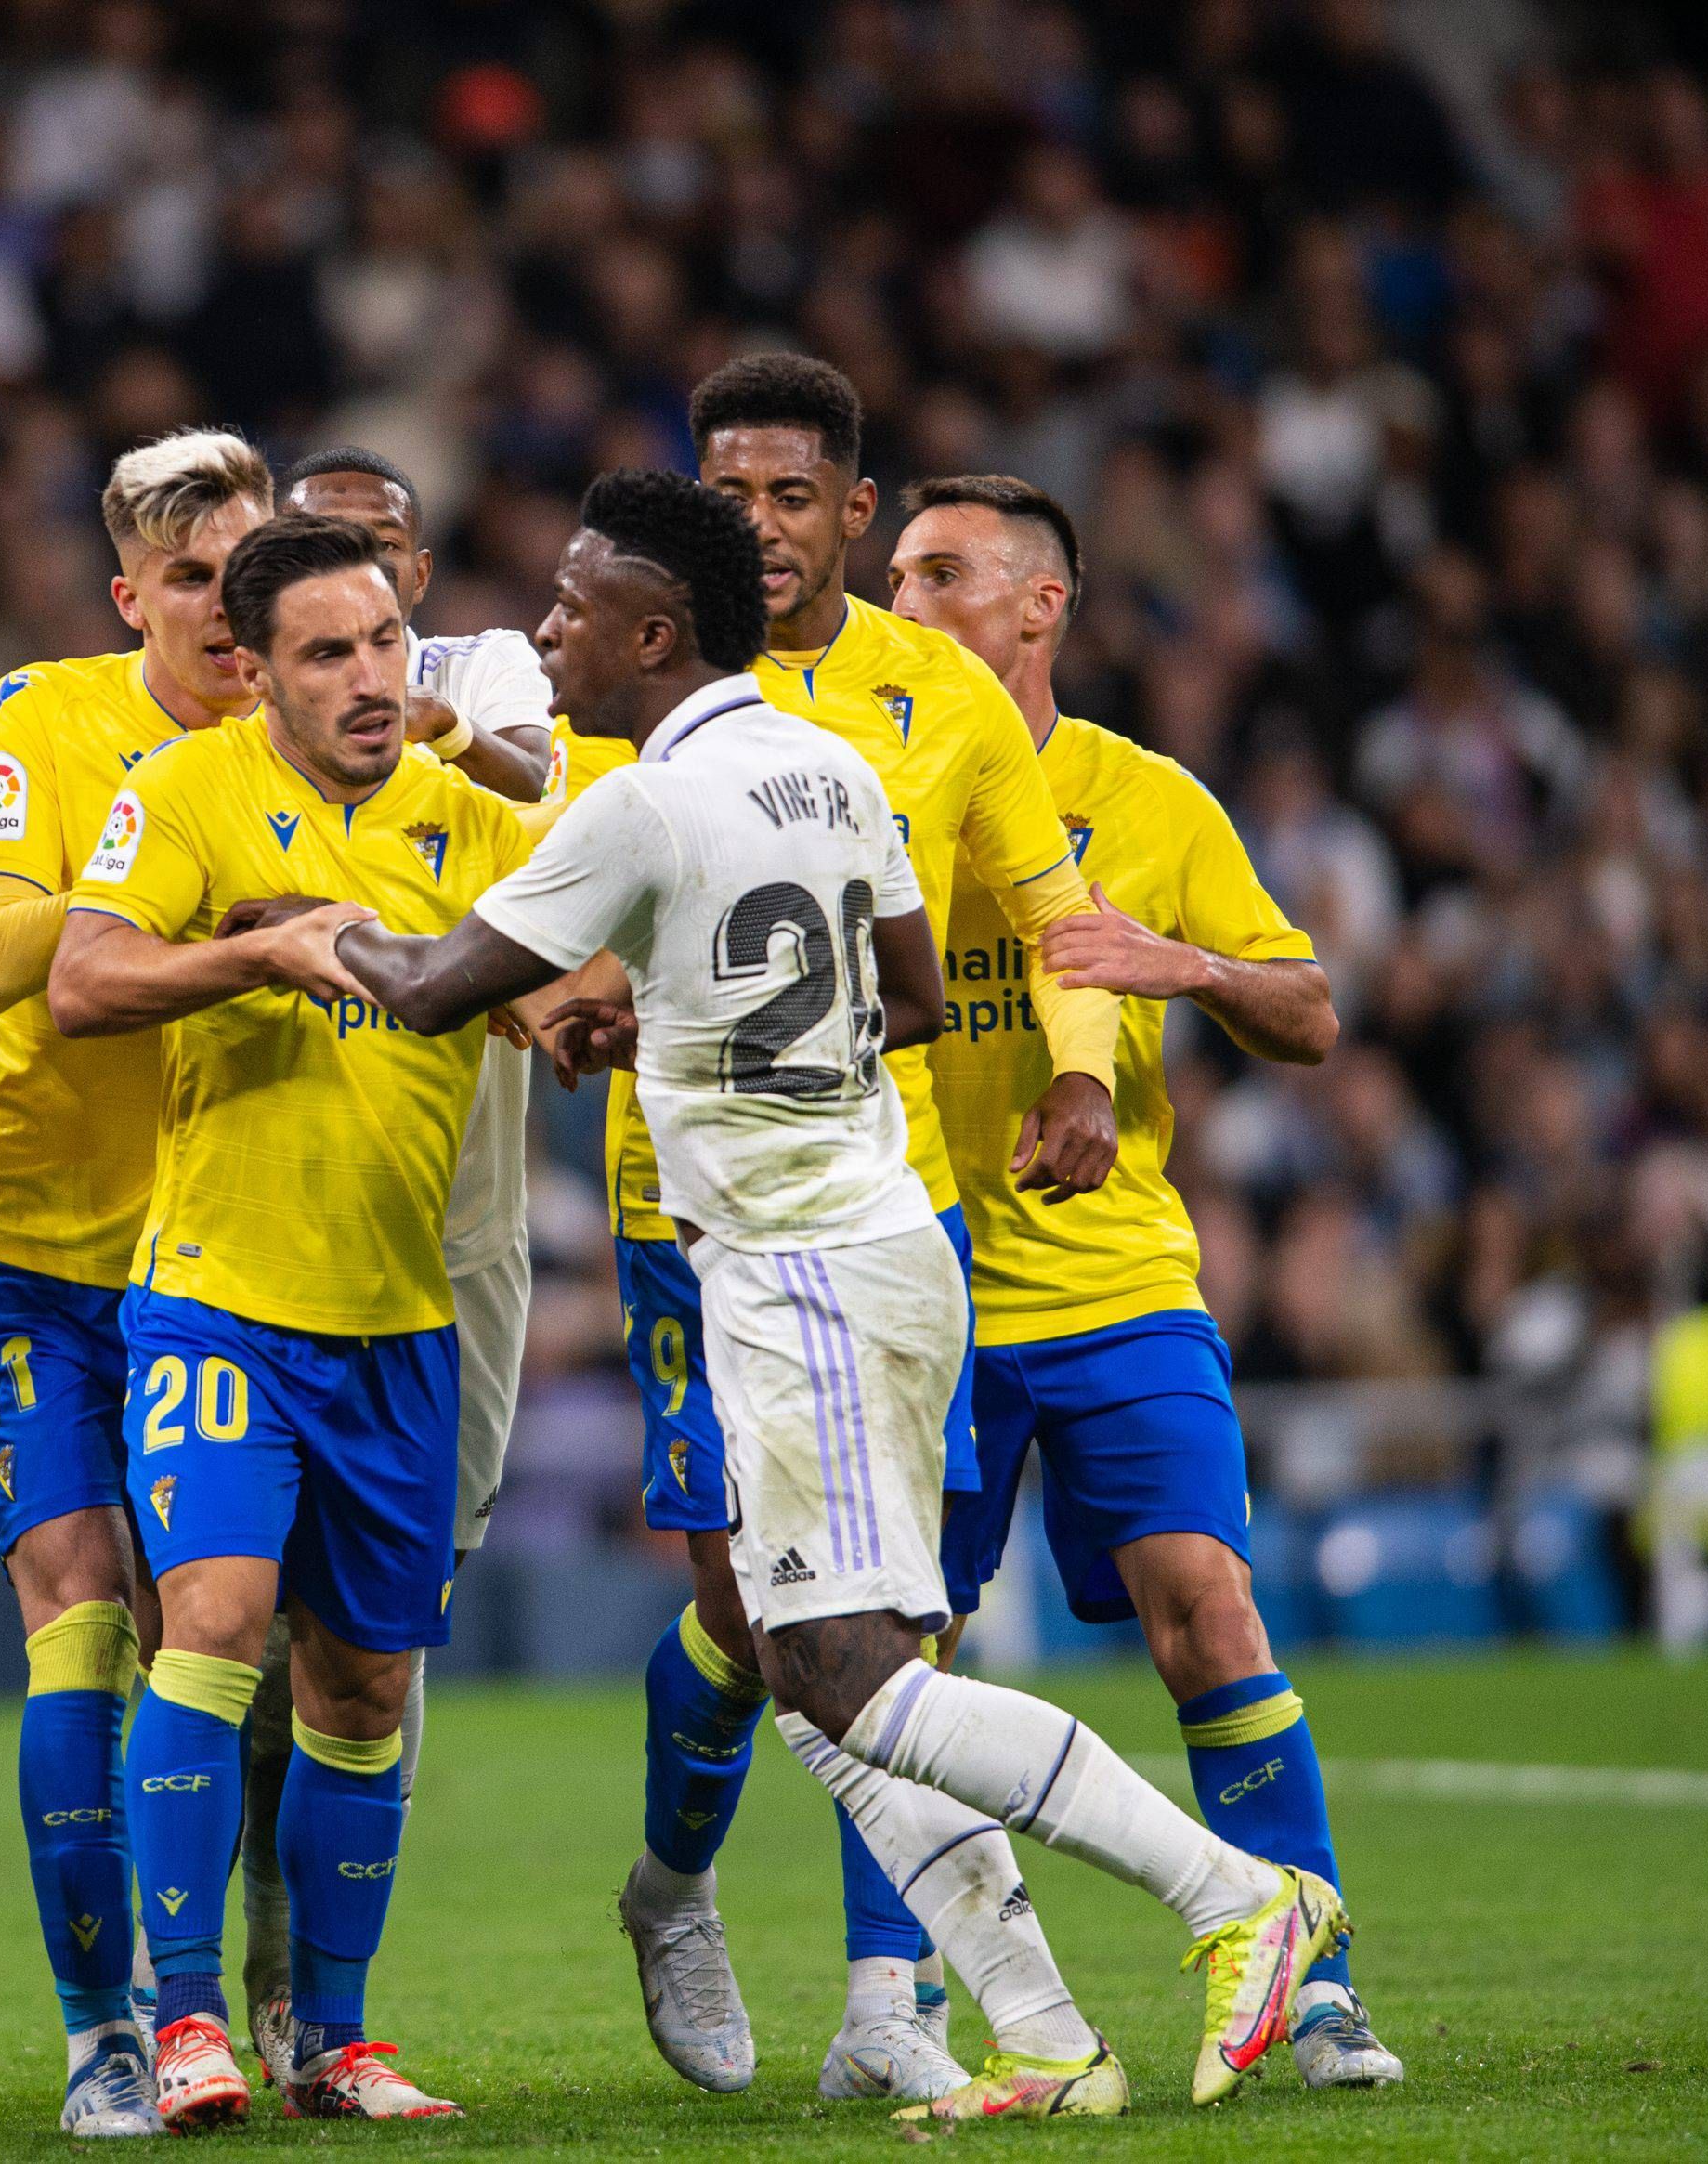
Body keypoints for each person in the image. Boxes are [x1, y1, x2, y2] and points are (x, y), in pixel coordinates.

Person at [327, 468, 1347, 2126]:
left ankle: (1239, 1894)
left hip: (796, 1272)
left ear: (654, 633)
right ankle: (1042, 2034)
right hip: (880, 1238)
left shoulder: (640, 806)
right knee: (819, 1674)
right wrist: (678, 1020)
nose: (546, 631)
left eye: (576, 605)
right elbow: (912, 994)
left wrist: (311, 930)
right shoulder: (831, 769)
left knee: (856, 1674)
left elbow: (437, 987)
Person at [595, 354, 1121, 2104]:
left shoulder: (942, 694)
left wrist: (1083, 1069)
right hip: (688, 1207)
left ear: (853, 509)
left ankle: (894, 1997)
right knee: (748, 1607)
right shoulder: (642, 670)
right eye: (727, 492)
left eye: (791, 494)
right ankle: (674, 1886)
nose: (756, 523)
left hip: (888, 1207)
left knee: (899, 1615)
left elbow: (1053, 910)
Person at [889, 473, 1401, 2090]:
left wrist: (1173, 961)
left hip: (1117, 1281)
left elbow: (1311, 1012)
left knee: (1208, 1609)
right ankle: (901, 2005)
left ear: (1041, 606)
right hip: (922, 1284)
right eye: (897, 575)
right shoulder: (855, 782)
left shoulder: (1150, 797)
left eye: (943, 574)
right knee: (897, 1664)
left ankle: (1313, 1986)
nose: (904, 604)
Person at [48, 513, 542, 2128]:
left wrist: (581, 1008)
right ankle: (185, 2016)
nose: (372, 677)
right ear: (255, 674)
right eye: (329, 652)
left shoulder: (472, 821)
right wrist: (264, 947)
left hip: (400, 1321)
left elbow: (560, 991)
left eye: (388, 641)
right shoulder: (185, 789)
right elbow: (81, 980)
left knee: (365, 1689)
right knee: (212, 1620)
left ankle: (330, 2035)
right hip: (221, 1304)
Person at [0, 427, 272, 2139]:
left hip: (224, 1267)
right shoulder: (42, 715)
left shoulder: (317, 734)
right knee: (78, 1624)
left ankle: (246, 1995)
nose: (225, 608)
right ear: (129, 594)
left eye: (245, 572)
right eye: (190, 577)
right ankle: (102, 2036)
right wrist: (214, 913)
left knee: (224, 1642)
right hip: (33, 1255)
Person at [227, 446, 555, 2081]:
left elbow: (540, 782)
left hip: (457, 1240)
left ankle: (326, 1973)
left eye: (377, 555)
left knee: (384, 1620)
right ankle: (260, 1964)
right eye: (316, 547)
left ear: (416, 578)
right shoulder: (238, 725)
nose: (349, 574)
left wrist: (421, 723)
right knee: (232, 1607)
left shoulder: (485, 673)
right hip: (264, 1224)